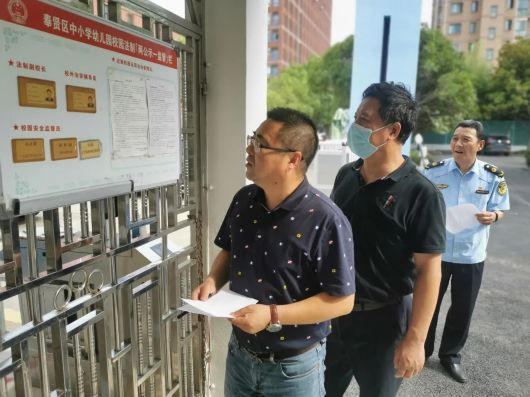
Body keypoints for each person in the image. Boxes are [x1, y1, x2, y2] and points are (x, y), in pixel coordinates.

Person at [192, 107, 356, 397]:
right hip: (241, 355)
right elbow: (230, 251)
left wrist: (271, 315)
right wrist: (212, 281)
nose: (249, 148)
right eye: (252, 139)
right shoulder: (244, 200)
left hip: (294, 369)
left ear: (293, 159)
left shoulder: (326, 219)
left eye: (260, 143)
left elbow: (341, 301)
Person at [324, 82, 446, 397]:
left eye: (365, 120)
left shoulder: (420, 193)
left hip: (385, 323)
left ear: (392, 130)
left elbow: (429, 270)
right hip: (333, 313)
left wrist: (415, 340)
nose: (355, 126)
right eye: (356, 117)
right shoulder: (346, 176)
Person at [423, 120, 510, 383]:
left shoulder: (493, 176)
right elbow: (418, 204)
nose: (458, 144)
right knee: (428, 303)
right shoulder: (433, 172)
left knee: (462, 308)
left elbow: (501, 208)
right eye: (454, 138)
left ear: (480, 145)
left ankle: (450, 356)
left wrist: (493, 215)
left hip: (471, 254)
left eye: (466, 139)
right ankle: (421, 349)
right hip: (434, 253)